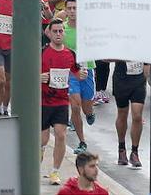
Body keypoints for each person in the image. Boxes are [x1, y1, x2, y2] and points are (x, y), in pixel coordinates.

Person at [41, 19, 86, 187]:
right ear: (49, 33)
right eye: (55, 31)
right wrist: (38, 77)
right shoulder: (42, 53)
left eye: (61, 31)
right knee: (43, 139)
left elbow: (76, 72)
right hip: (43, 101)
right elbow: (29, 74)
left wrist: (81, 75)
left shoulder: (70, 54)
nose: (58, 34)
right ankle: (40, 151)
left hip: (60, 102)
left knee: (61, 135)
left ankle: (55, 171)